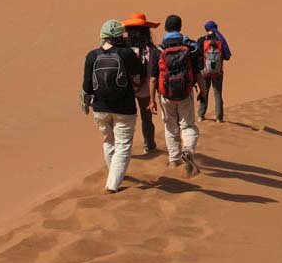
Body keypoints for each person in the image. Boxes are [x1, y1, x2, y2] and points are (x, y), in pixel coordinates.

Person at [82, 19, 143, 194]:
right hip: (124, 108)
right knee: (123, 145)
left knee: (109, 141)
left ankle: (113, 176)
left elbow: (87, 86)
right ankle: (112, 185)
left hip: (100, 108)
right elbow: (138, 71)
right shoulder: (127, 54)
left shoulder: (92, 56)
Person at [149, 14, 205, 177]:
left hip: (165, 96)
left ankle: (174, 160)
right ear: (180, 28)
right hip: (185, 93)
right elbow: (197, 73)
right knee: (187, 126)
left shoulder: (158, 50)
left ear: (166, 28)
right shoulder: (190, 48)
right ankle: (188, 149)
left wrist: (152, 101)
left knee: (170, 127)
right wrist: (202, 92)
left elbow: (153, 79)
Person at [122, 12, 161, 154]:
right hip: (146, 90)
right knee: (146, 119)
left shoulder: (124, 50)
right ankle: (149, 145)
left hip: (127, 90)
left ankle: (124, 150)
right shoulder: (152, 50)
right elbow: (154, 74)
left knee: (126, 121)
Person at [196, 20, 232, 123]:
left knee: (204, 91)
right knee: (218, 93)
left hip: (204, 71)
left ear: (207, 30)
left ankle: (201, 116)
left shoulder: (202, 40)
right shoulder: (220, 40)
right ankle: (219, 117)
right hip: (218, 72)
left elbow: (197, 53)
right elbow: (227, 56)